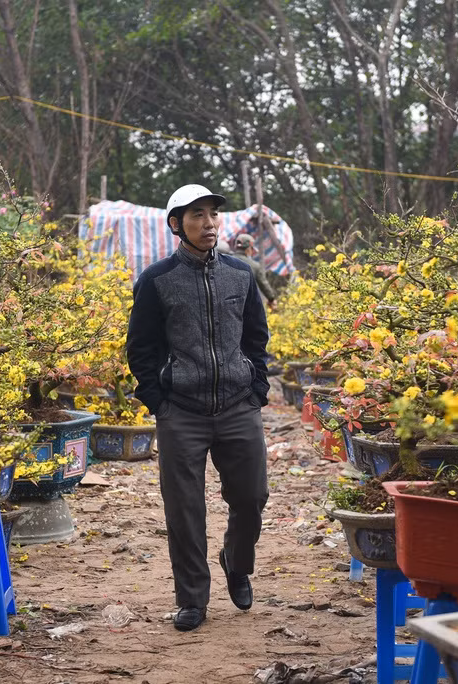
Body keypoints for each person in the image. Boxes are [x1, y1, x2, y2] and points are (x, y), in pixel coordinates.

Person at [126, 184, 271, 632]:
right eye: (197, 215)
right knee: (184, 510)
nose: (209, 223)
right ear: (176, 224)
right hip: (182, 412)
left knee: (251, 497)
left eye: (213, 214)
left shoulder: (241, 274)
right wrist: (158, 401)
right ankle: (192, 599)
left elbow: (257, 337)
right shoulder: (157, 279)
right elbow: (141, 348)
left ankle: (236, 562)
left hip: (238, 405)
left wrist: (258, 388)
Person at [231, 233, 278, 305]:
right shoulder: (254, 266)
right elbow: (263, 284)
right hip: (245, 304)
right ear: (248, 249)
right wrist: (271, 299)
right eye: (252, 248)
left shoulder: (224, 261)